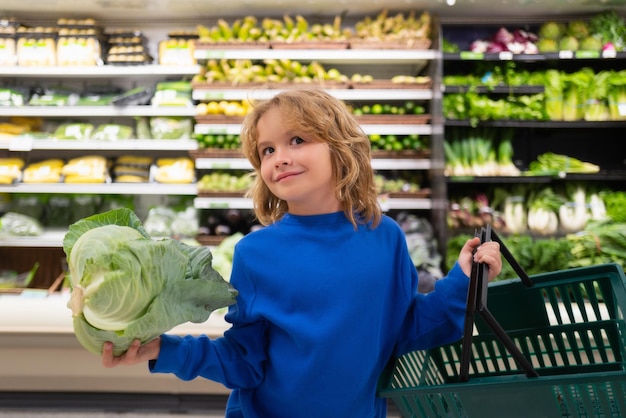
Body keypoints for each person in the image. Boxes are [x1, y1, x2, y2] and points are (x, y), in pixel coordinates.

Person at [102, 88, 502, 417]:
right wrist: (164, 349)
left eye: (297, 140)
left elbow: (406, 330)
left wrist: (464, 281)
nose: (280, 157)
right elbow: (244, 360)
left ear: (341, 149)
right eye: (267, 151)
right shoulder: (255, 253)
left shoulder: (386, 238)